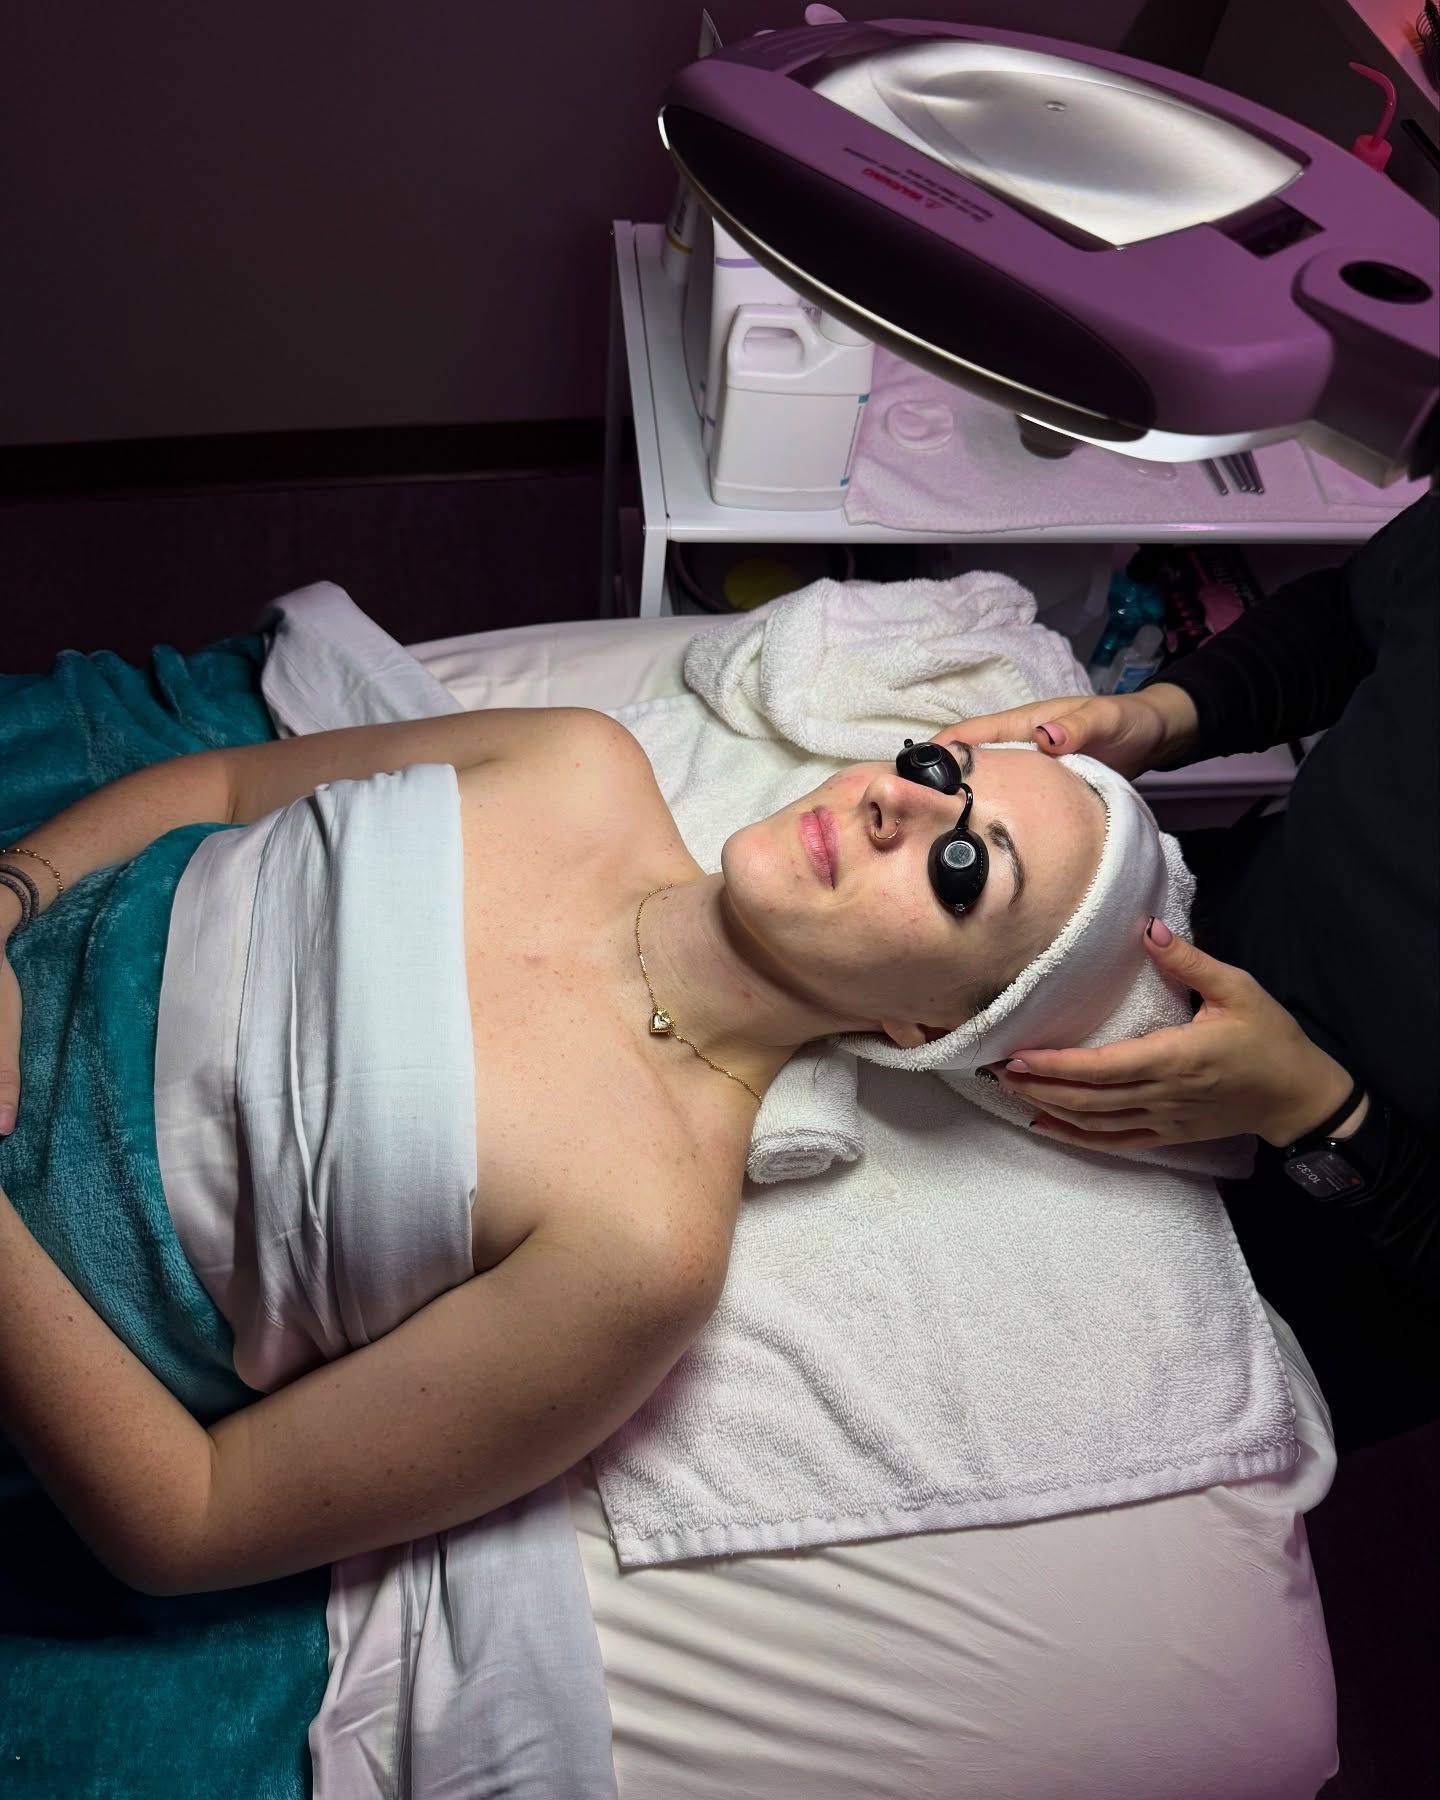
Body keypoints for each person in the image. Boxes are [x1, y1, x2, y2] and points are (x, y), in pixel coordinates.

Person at [0, 706, 1115, 1597]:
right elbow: (226, 788)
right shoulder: (575, 758)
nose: (898, 800)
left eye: (963, 865)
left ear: (929, 1029)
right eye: (937, 763)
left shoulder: (645, 1241)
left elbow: (193, 1518)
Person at [937, 490, 1439, 1452]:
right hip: (1239, 915)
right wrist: (1160, 718)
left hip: (1355, 1236)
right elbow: (1357, 617)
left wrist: (1320, 1114)